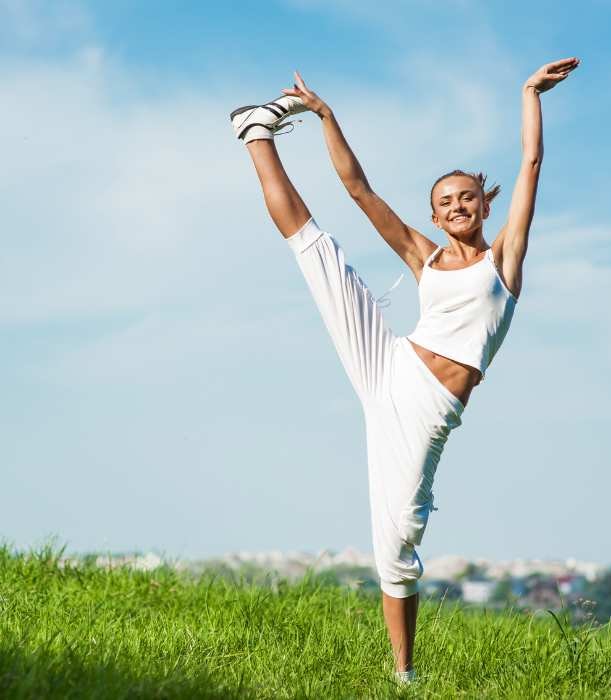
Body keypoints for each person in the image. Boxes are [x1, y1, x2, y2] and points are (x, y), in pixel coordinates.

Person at [230, 57, 580, 683]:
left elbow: (530, 163)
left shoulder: (504, 259)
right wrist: (326, 116)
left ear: (481, 201)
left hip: (425, 409)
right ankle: (255, 133)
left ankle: (403, 674)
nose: (456, 207)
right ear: (436, 213)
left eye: (466, 197)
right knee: (320, 255)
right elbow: (359, 189)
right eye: (444, 202)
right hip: (389, 364)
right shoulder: (424, 256)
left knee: (397, 543)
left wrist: (529, 93)